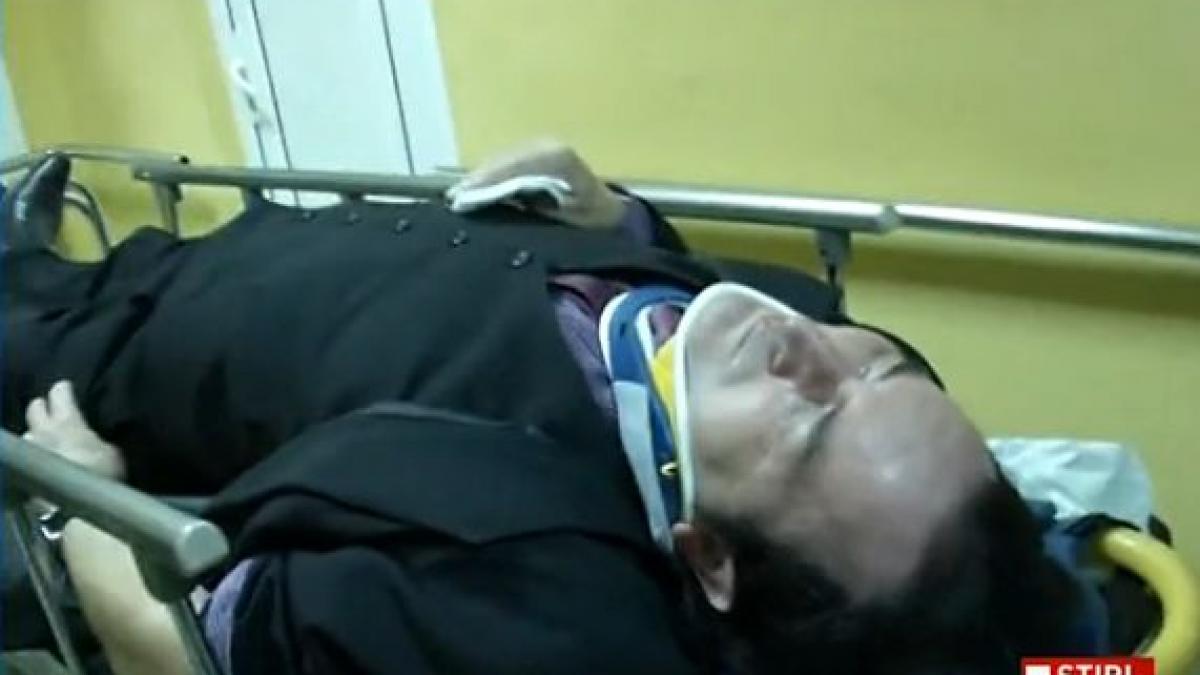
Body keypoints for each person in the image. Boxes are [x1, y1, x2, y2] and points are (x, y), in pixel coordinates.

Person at [2, 143, 1091, 675]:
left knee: (32, 325)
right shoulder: (792, 358)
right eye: (879, 369)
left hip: (146, 368)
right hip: (273, 259)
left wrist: (78, 504)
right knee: (83, 270)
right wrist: (620, 218)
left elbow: (174, 642)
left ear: (709, 556)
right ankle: (26, 251)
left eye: (813, 419)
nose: (808, 344)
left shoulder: (524, 595)